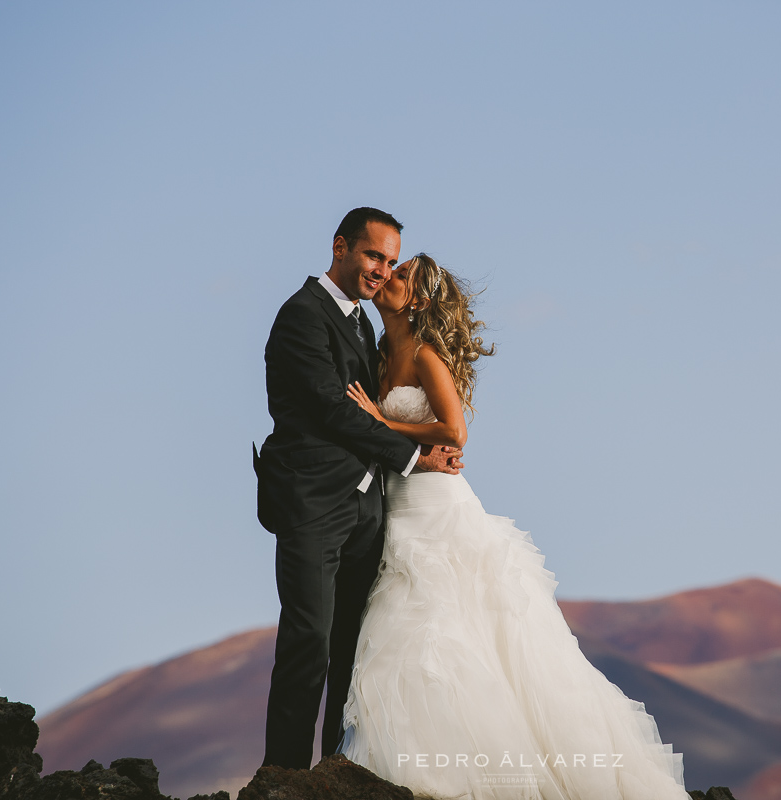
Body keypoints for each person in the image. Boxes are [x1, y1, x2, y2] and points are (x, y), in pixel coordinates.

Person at [340, 254, 689, 799]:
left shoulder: (425, 354)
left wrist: (382, 419)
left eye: (403, 275)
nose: (390, 277)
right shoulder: (381, 350)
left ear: (422, 299)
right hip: (397, 503)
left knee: (437, 628)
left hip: (434, 504)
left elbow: (454, 430)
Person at [253, 208, 462, 769]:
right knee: (308, 643)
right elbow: (329, 409)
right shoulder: (301, 315)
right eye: (374, 256)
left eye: (391, 262)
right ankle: (287, 776)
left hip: (369, 512)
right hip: (313, 506)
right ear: (340, 247)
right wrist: (416, 457)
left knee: (353, 653)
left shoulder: (363, 323)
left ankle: (337, 771)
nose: (381, 270)